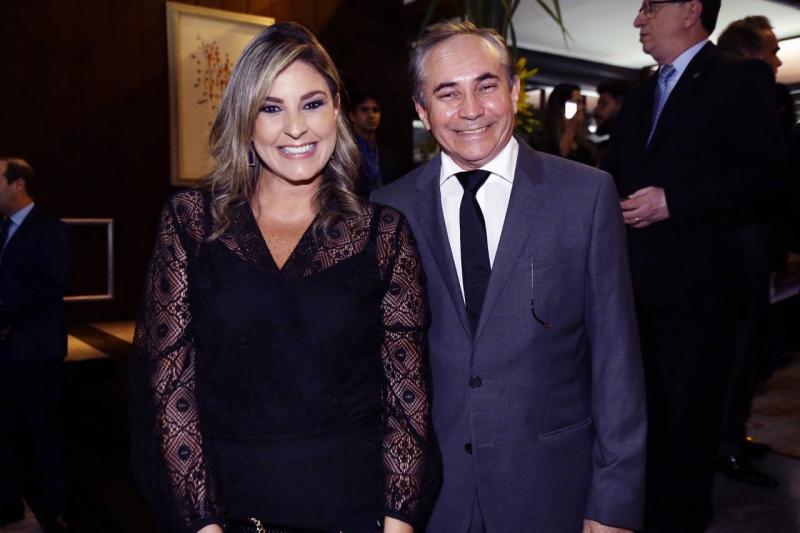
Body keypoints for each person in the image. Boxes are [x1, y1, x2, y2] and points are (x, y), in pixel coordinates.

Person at [130, 22, 439, 533]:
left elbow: (406, 399)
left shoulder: (383, 234)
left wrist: (398, 523)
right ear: (245, 120)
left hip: (355, 513)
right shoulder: (191, 223)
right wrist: (204, 524)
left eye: (311, 103)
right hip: (226, 513)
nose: (296, 128)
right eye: (271, 108)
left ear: (336, 109)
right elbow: (169, 387)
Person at [373, 21, 646, 533]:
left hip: (551, 492)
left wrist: (614, 503)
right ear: (422, 110)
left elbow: (617, 361)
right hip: (431, 503)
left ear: (514, 90)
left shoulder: (585, 196)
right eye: (447, 93)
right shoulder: (389, 210)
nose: (471, 109)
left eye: (486, 86)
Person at [603, 1, 784, 531]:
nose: (638, 19)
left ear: (690, 10)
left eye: (650, 6)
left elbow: (768, 178)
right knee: (640, 423)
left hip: (700, 294)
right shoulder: (640, 95)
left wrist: (675, 201)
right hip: (631, 290)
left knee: (689, 430)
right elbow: (610, 175)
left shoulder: (739, 80)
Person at [715, 14, 785, 488]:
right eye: (771, 50)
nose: (776, 61)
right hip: (738, 249)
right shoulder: (747, 86)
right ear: (746, 51)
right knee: (737, 349)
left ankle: (732, 436)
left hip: (750, 243)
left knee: (749, 347)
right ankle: (725, 443)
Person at [0, 157, 71, 531]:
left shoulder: (50, 231)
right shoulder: (2, 230)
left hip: (36, 351)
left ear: (17, 184)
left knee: (44, 432)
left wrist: (4, 314)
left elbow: (50, 287)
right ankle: (10, 503)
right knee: (7, 431)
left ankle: (56, 510)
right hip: (7, 352)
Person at [348, 87, 399, 196]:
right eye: (364, 110)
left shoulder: (386, 153)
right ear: (352, 116)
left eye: (375, 110)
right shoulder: (345, 152)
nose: (371, 115)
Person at [530, 83, 596, 166]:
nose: (581, 107)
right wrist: (570, 130)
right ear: (561, 107)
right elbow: (554, 164)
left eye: (582, 102)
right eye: (577, 102)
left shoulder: (585, 143)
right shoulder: (541, 138)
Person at [592, 80, 631, 167]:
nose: (596, 110)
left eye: (604, 104)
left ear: (621, 105)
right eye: (598, 103)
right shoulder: (603, 139)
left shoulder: (625, 144)